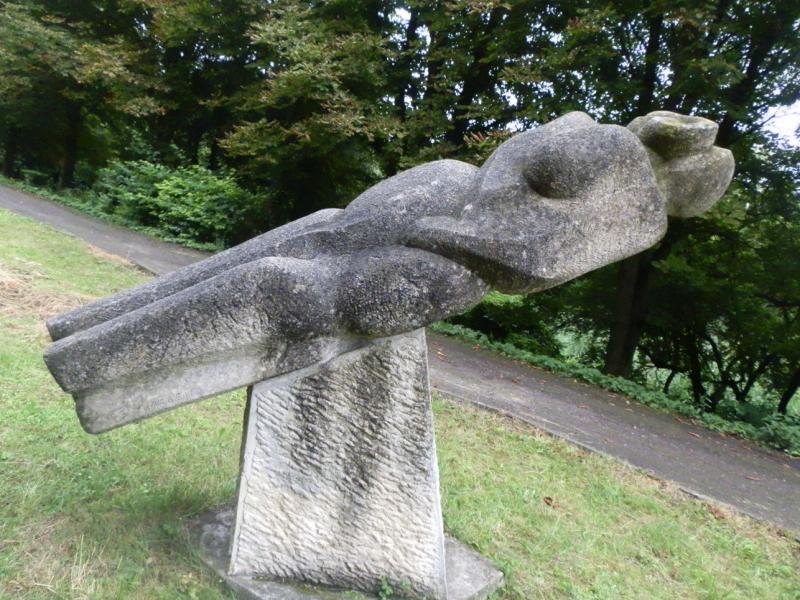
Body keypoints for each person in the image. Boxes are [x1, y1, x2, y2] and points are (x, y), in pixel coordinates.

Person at [43, 111, 734, 433]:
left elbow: (535, 256)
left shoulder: (629, 200)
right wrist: (454, 216)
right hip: (434, 222)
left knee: (287, 275)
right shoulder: (617, 169)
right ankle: (85, 342)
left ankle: (87, 363)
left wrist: (445, 225)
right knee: (300, 251)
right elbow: (533, 238)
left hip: (439, 243)